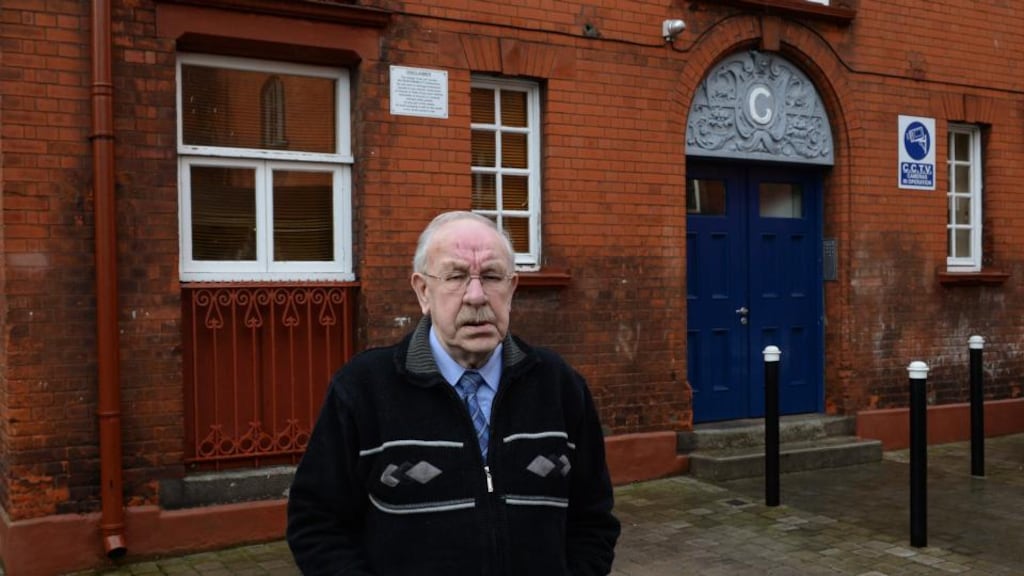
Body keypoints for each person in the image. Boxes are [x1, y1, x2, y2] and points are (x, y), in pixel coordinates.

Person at [287, 211, 620, 575]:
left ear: (511, 289)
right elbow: (316, 524)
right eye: (456, 276)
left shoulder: (561, 387)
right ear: (422, 291)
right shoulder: (362, 390)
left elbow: (593, 520)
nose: (476, 296)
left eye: (492, 276)